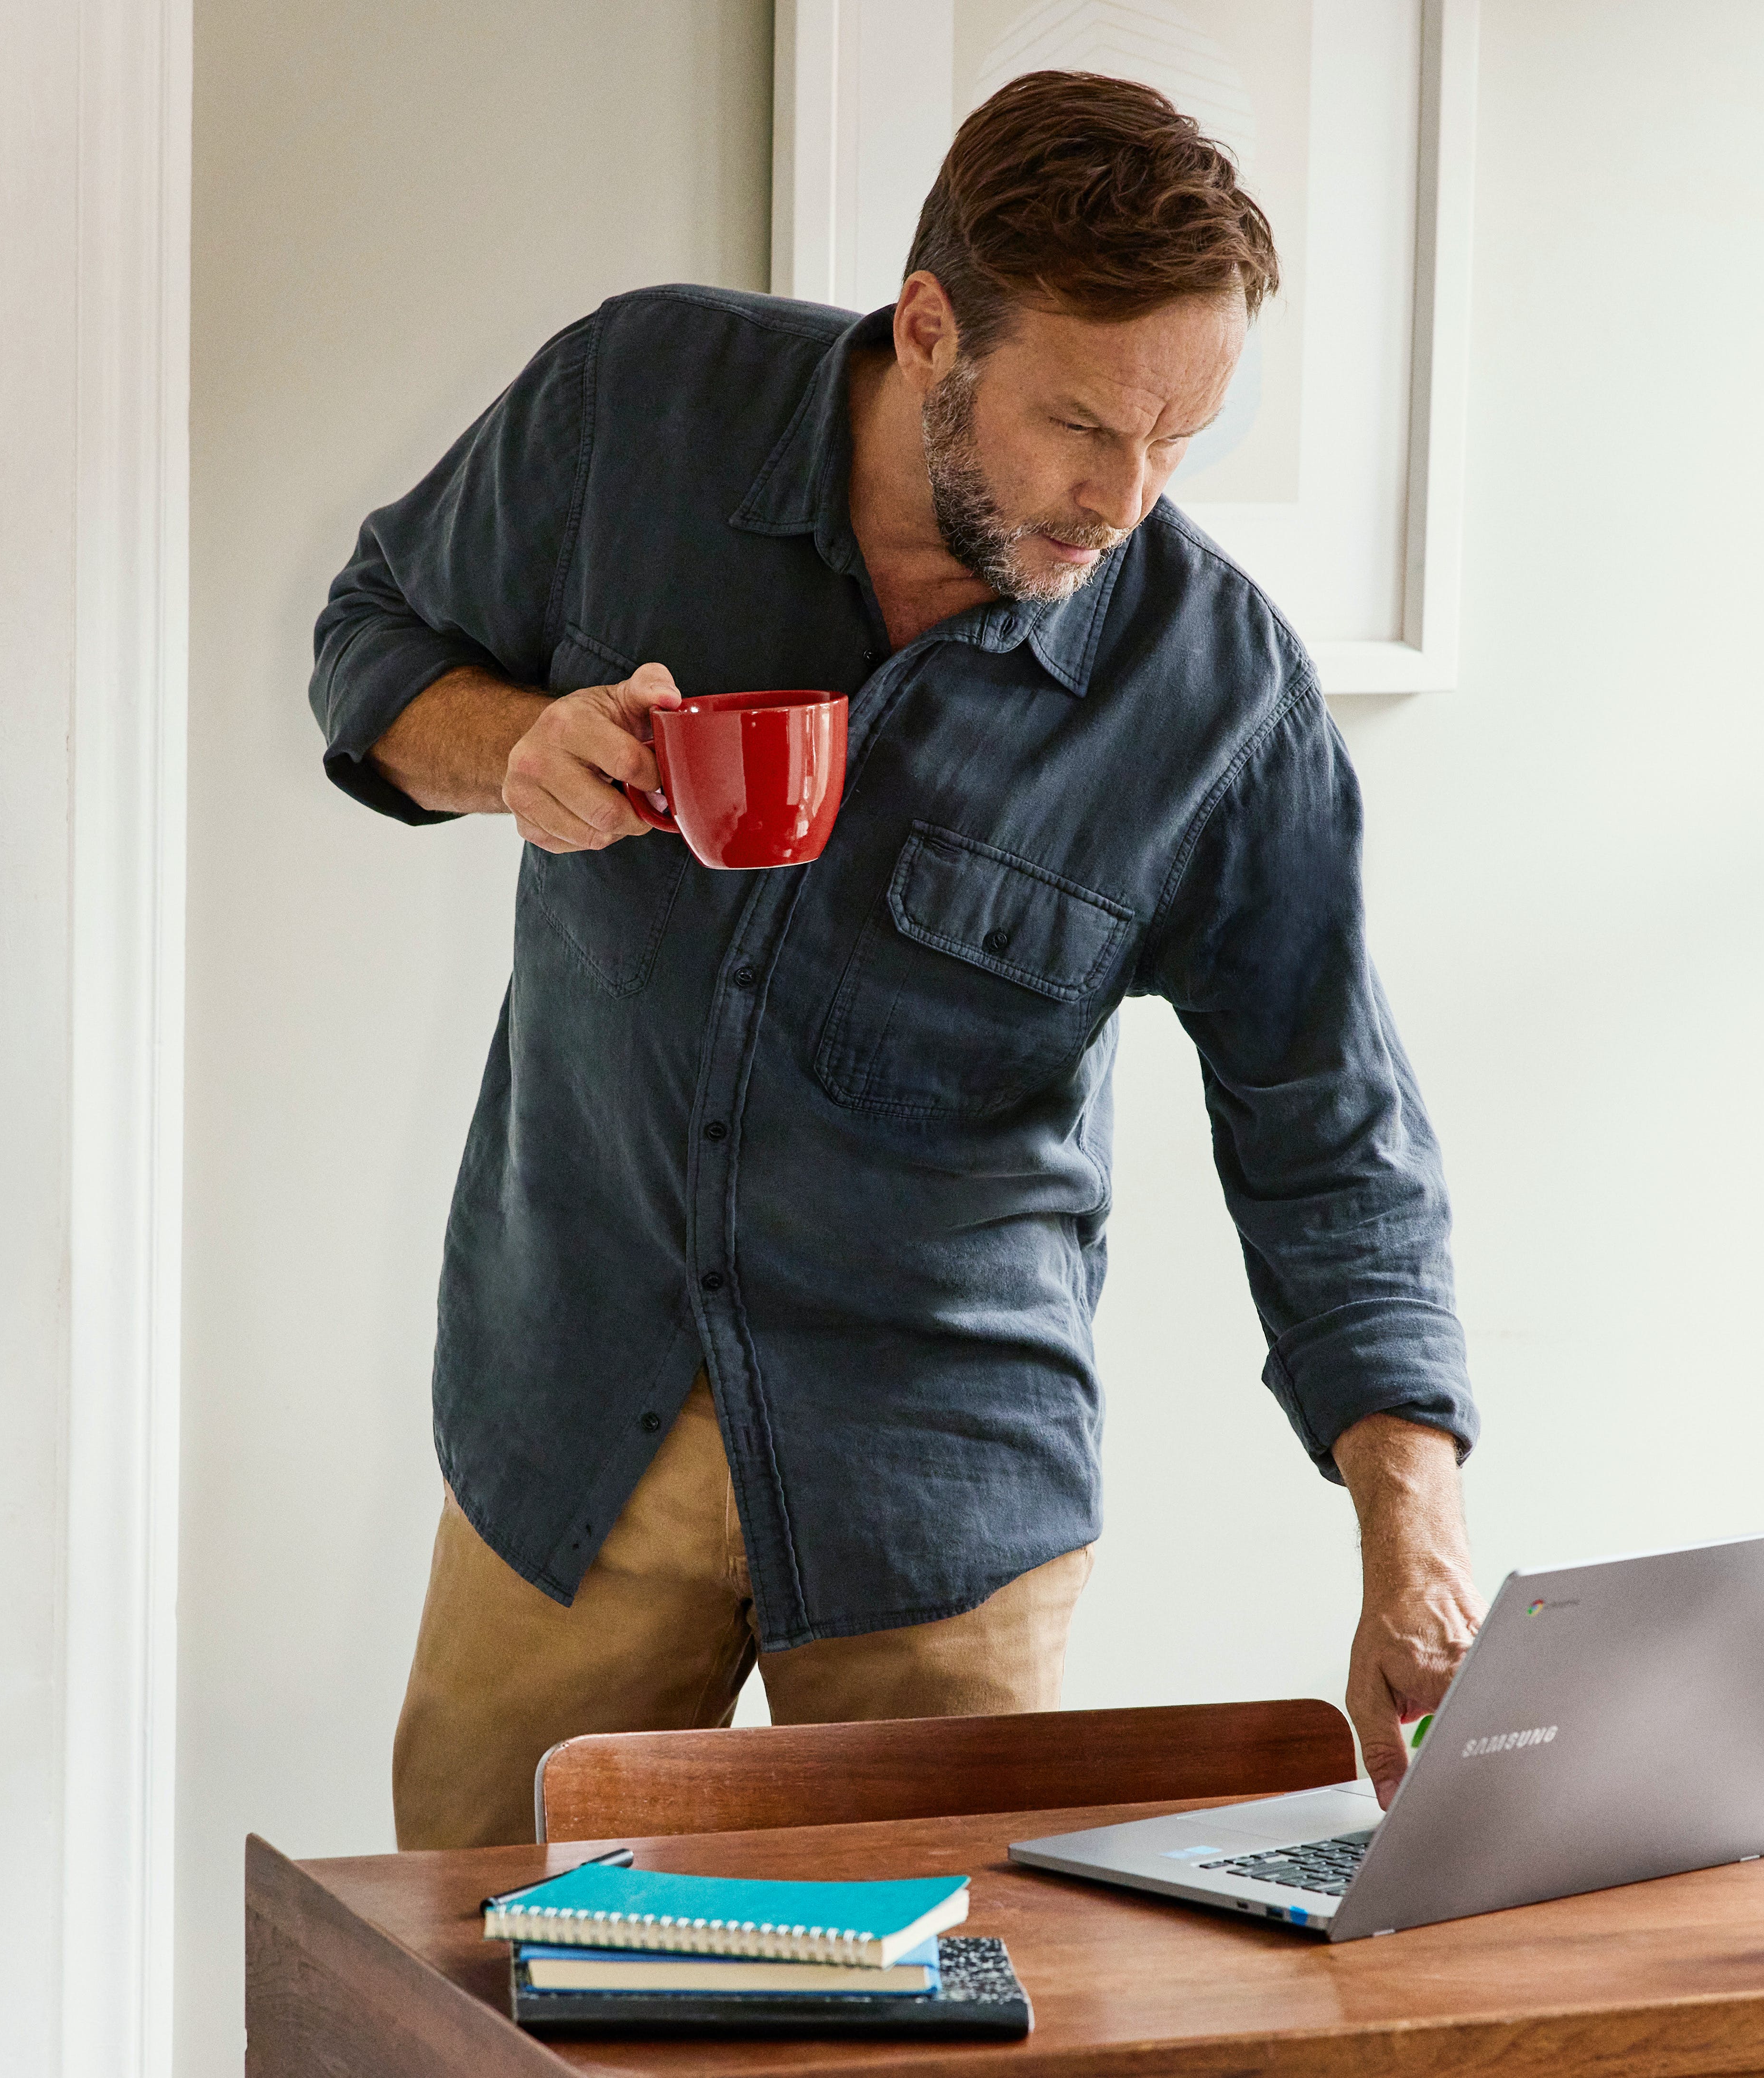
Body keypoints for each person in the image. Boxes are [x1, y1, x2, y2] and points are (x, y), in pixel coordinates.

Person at [311, 70, 1483, 1851]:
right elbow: (371, 639)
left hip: (937, 1502)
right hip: (571, 1424)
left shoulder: (1214, 693)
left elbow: (1329, 1131)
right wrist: (512, 751)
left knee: (935, 2027)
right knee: (461, 1995)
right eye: (1081, 424)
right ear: (929, 328)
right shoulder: (638, 404)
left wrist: (1414, 1544)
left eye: (1185, 437)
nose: (1125, 499)